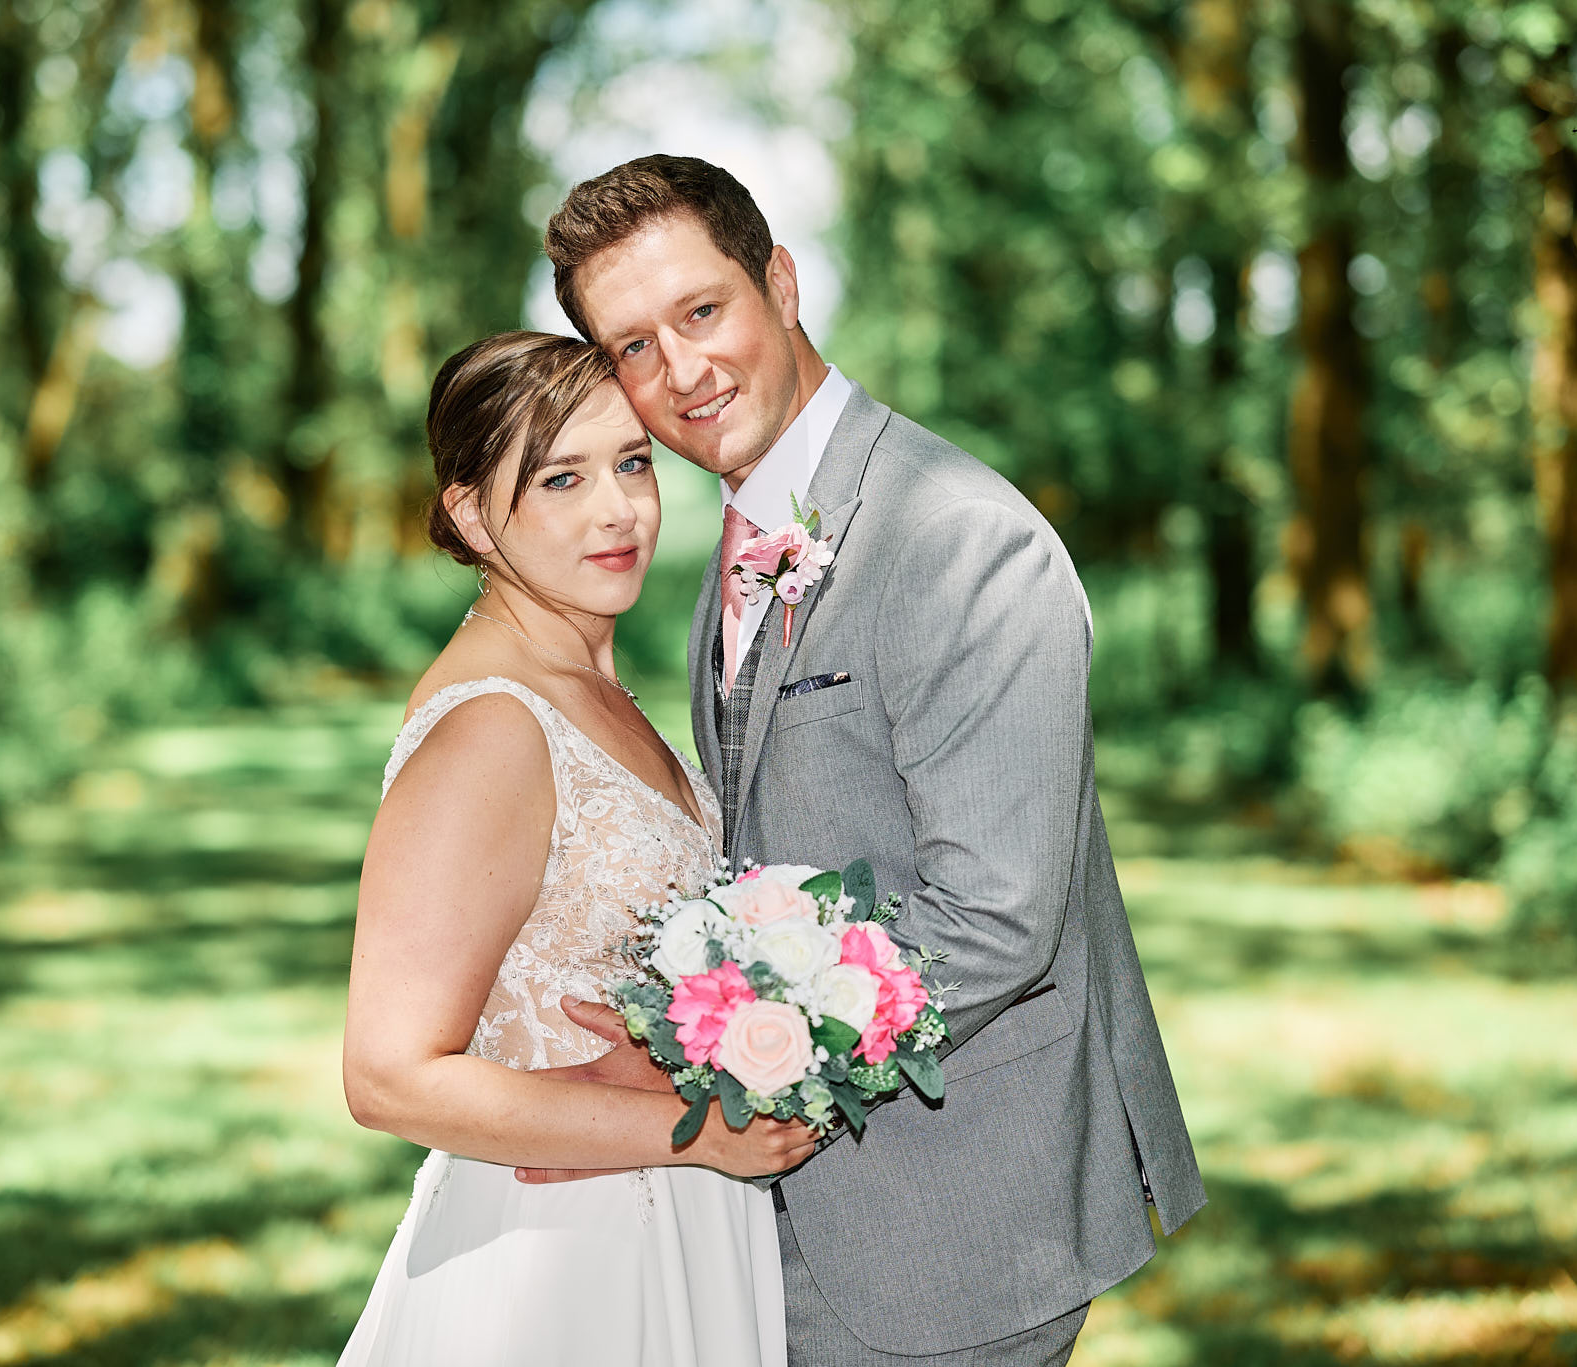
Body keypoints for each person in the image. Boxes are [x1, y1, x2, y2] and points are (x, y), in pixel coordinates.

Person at [515, 155, 1208, 1367]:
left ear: (778, 283)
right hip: (798, 1204)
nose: (679, 372)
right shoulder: (739, 531)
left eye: (700, 310)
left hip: (949, 1222)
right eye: (630, 346)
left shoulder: (958, 540)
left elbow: (994, 915)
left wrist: (699, 1053)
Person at [337, 330, 811, 1367]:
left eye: (631, 462)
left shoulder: (594, 685)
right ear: (470, 513)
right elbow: (388, 1075)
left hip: (679, 1231)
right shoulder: (491, 729)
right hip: (562, 1269)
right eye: (561, 477)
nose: (619, 509)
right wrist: (694, 1131)